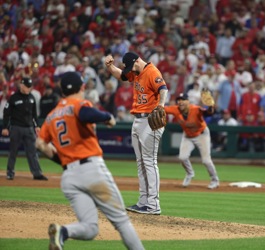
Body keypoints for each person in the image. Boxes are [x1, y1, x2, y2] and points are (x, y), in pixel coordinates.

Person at [35, 72, 144, 250]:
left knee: (90, 228)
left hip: (69, 177)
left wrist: (62, 160)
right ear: (82, 87)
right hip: (92, 171)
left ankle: (63, 232)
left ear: (62, 91)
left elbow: (40, 144)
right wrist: (108, 117)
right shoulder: (79, 104)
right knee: (122, 221)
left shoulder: (51, 116)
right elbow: (85, 113)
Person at [105, 51, 168, 215]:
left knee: (149, 161)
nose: (129, 72)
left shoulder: (152, 71)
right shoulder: (135, 72)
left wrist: (161, 105)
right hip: (138, 120)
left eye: (131, 68)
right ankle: (143, 201)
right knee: (141, 163)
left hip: (150, 120)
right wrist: (110, 66)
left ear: (137, 61)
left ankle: (153, 204)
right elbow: (121, 75)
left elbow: (163, 89)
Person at [164, 93, 220, 189]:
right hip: (188, 136)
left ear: (188, 102)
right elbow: (161, 108)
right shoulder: (175, 109)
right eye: (179, 100)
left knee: (206, 160)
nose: (180, 102)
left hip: (202, 135)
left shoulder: (195, 109)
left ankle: (215, 180)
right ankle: (190, 174)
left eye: (183, 100)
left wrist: (211, 107)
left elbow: (208, 113)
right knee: (182, 157)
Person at [1, 77, 48, 181]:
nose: (28, 88)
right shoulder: (14, 98)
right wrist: (5, 127)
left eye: (29, 86)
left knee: (32, 151)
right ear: (21, 85)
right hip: (16, 127)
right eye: (26, 86)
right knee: (13, 151)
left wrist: (37, 126)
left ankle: (37, 173)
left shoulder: (32, 98)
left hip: (29, 128)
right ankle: (10, 173)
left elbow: (34, 114)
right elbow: (6, 113)